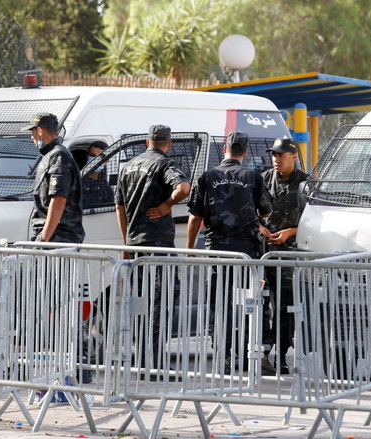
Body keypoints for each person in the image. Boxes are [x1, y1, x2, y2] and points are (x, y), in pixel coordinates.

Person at [186, 131, 272, 373]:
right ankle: (246, 354)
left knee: (219, 303)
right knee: (247, 302)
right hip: (246, 251)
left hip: (217, 251)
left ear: (226, 148)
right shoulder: (253, 177)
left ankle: (222, 355)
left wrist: (190, 249)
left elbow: (195, 218)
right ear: (244, 152)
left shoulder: (207, 177)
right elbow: (265, 211)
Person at [114, 124, 190, 372]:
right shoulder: (164, 164)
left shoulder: (128, 167)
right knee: (161, 302)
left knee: (141, 302)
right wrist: (168, 204)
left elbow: (120, 207)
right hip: (157, 245)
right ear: (168, 144)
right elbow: (183, 188)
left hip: (135, 245)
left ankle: (140, 358)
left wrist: (126, 242)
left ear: (147, 142)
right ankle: (154, 362)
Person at [259, 138, 308, 375]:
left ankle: (281, 354)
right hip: (263, 255)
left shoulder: (306, 184)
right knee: (260, 304)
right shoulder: (264, 179)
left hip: (289, 257)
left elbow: (315, 220)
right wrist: (259, 227)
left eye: (281, 155)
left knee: (284, 308)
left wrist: (291, 231)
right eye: (274, 155)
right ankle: (262, 352)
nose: (276, 159)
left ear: (293, 156)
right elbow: (251, 210)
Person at [25, 112, 84, 243]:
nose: (31, 137)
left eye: (32, 132)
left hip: (59, 239)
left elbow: (58, 199)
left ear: (40, 130)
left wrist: (44, 239)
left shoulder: (58, 156)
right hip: (55, 237)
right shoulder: (51, 155)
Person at [82, 140, 114, 209]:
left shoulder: (106, 189)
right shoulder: (76, 181)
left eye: (100, 157)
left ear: (106, 161)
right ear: (87, 156)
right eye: (93, 156)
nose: (95, 160)